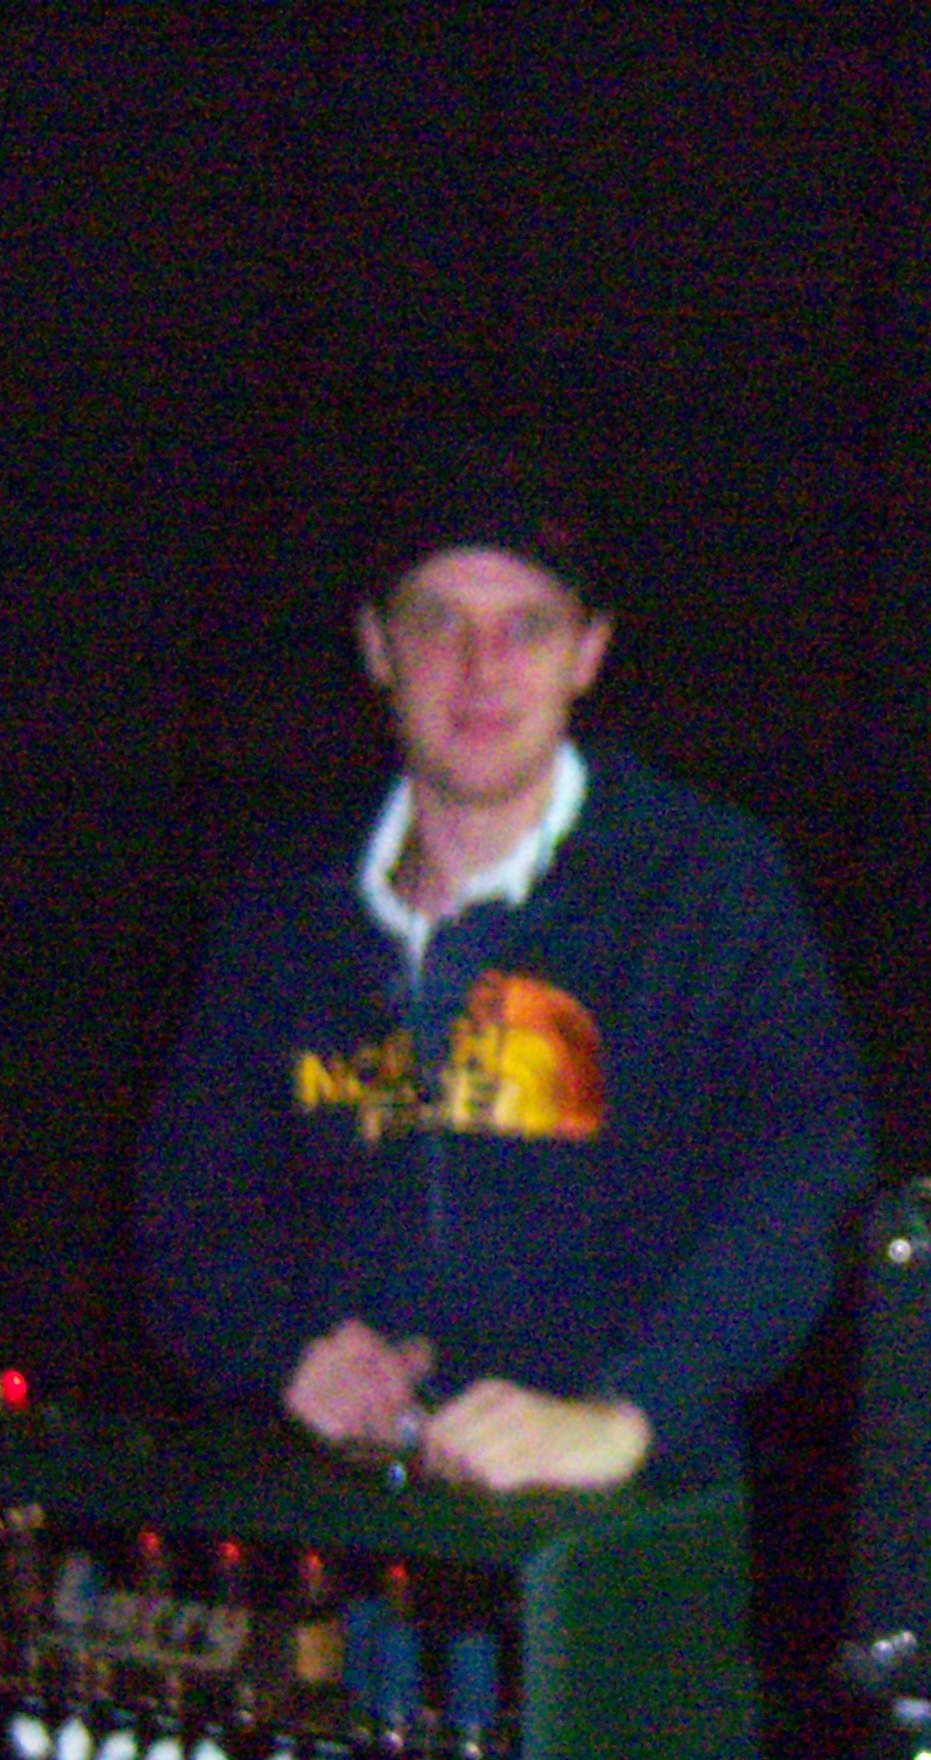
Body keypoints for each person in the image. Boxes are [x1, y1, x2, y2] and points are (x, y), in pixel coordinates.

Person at [135, 447, 872, 1491]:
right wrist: (282, 1355)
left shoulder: (705, 887)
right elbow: (188, 1202)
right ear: (376, 646)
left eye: (527, 627)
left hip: (620, 1518)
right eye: (438, 621)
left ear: (589, 653)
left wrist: (630, 1415)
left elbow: (809, 1175)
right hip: (344, 1511)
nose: (481, 669)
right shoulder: (284, 910)